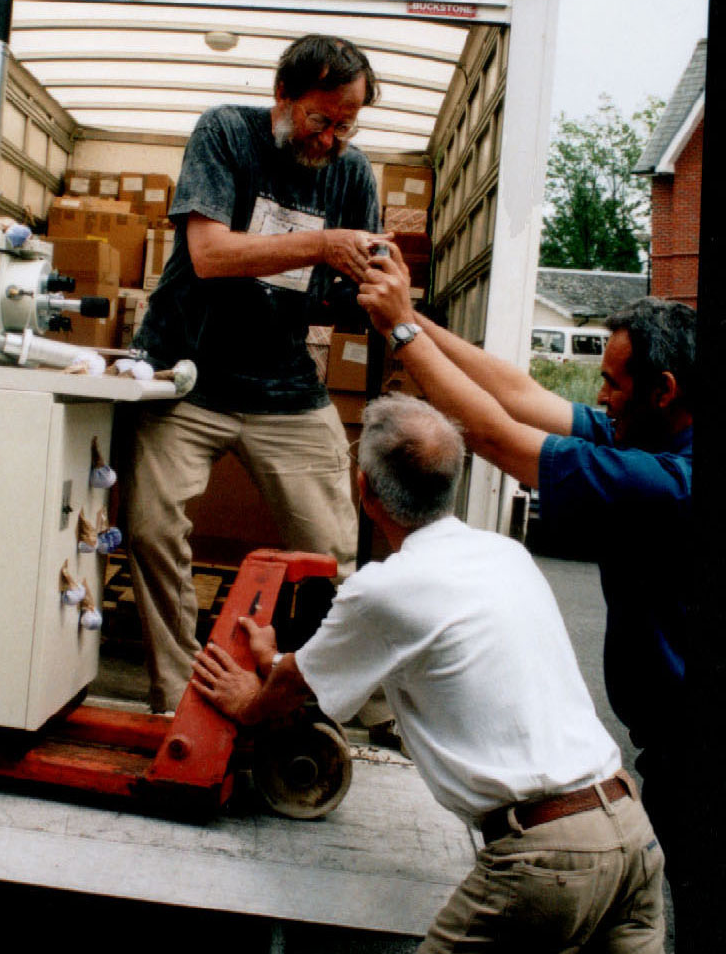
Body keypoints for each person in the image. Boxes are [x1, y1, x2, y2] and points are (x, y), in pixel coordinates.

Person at [194, 394, 665, 951]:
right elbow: (338, 665)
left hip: (544, 859)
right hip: (632, 836)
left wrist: (249, 698)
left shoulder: (385, 589)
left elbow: (291, 692)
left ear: (365, 491)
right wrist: (277, 663)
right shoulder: (505, 555)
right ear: (453, 482)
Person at [357, 250, 699, 942]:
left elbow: (490, 432)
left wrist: (400, 333)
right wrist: (408, 315)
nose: (601, 397)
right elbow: (515, 390)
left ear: (662, 389)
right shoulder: (649, 429)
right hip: (663, 759)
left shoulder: (668, 483)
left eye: (612, 383)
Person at [126, 34, 391, 714]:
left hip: (285, 383)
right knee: (152, 527)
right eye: (320, 120)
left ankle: (311, 702)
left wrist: (374, 286)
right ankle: (180, 702)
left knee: (334, 557)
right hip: (187, 372)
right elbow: (210, 254)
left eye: (346, 125)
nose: (332, 139)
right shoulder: (225, 134)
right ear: (283, 97)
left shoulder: (353, 175)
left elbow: (340, 292)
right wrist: (323, 243)